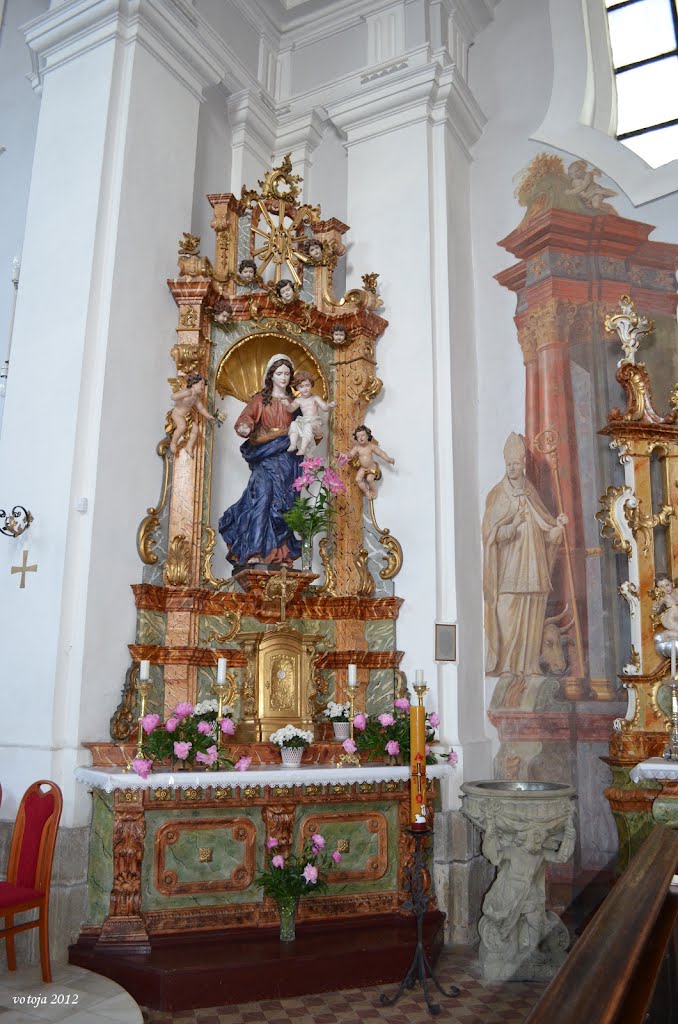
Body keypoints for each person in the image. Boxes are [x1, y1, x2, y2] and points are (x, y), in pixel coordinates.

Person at [482, 432, 568, 676]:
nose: (512, 468)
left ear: (522, 465)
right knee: (507, 616)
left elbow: (546, 529)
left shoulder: (530, 492)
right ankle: (507, 667)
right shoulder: (498, 494)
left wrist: (558, 528)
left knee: (532, 616)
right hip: (509, 570)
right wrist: (513, 525)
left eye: (517, 464)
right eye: (509, 464)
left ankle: (529, 666)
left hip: (533, 568)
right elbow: (492, 535)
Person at [218, 355, 302, 567]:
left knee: (283, 506)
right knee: (262, 499)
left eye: (287, 374)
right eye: (279, 373)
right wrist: (245, 426)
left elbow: (306, 426)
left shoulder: (294, 403)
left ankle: (280, 556)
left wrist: (315, 429)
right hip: (265, 458)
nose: (283, 377)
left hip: (287, 461)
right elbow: (246, 418)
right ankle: (253, 550)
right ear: (271, 375)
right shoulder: (259, 400)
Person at [285, 371, 335, 455]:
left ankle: (303, 449)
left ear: (311, 385)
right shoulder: (298, 400)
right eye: (301, 386)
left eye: (307, 385)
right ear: (297, 388)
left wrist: (329, 406)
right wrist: (287, 405)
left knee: (308, 426)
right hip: (304, 421)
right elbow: (291, 409)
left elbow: (324, 408)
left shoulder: (315, 398)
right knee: (293, 424)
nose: (305, 389)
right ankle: (293, 444)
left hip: (314, 421)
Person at [169, 374, 217, 458]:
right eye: (201, 384)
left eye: (203, 385)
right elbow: (173, 396)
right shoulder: (187, 392)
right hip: (177, 414)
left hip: (186, 417)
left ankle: (189, 446)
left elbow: (201, 409)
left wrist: (209, 416)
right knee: (182, 426)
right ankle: (173, 443)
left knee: (195, 429)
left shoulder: (196, 398)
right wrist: (180, 395)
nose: (203, 386)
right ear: (194, 384)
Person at [347, 425, 395, 500]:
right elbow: (350, 454)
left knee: (369, 479)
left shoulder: (371, 446)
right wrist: (342, 454)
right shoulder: (357, 448)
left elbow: (380, 453)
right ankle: (367, 492)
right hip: (363, 468)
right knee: (358, 479)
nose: (361, 437)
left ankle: (374, 491)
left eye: (363, 435)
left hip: (371, 467)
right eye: (358, 436)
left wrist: (388, 459)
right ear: (356, 438)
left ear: (367, 435)